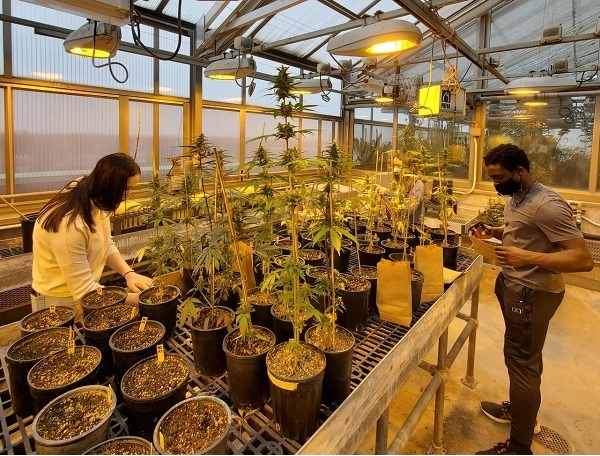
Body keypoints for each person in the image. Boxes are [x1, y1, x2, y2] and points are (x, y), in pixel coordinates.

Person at [470, 144, 594, 455]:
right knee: (522, 358)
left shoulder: (547, 205)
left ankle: (519, 446)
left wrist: (523, 255)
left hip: (531, 294)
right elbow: (522, 230)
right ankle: (523, 414)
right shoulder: (517, 197)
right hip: (515, 286)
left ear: (519, 172)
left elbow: (582, 260)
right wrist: (497, 232)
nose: (495, 184)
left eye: (499, 177)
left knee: (522, 365)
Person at [31, 153, 154, 317]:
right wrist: (141, 299)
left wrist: (129, 274)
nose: (129, 194)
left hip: (81, 293)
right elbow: (85, 292)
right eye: (127, 189)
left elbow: (106, 244)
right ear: (111, 186)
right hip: (58, 302)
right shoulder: (71, 227)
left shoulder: (92, 193)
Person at [381, 152, 425, 225]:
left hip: (410, 227)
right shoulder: (398, 182)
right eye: (394, 165)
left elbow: (409, 209)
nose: (395, 169)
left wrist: (388, 193)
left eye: (398, 166)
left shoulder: (418, 185)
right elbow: (394, 205)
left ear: (407, 167)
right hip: (396, 224)